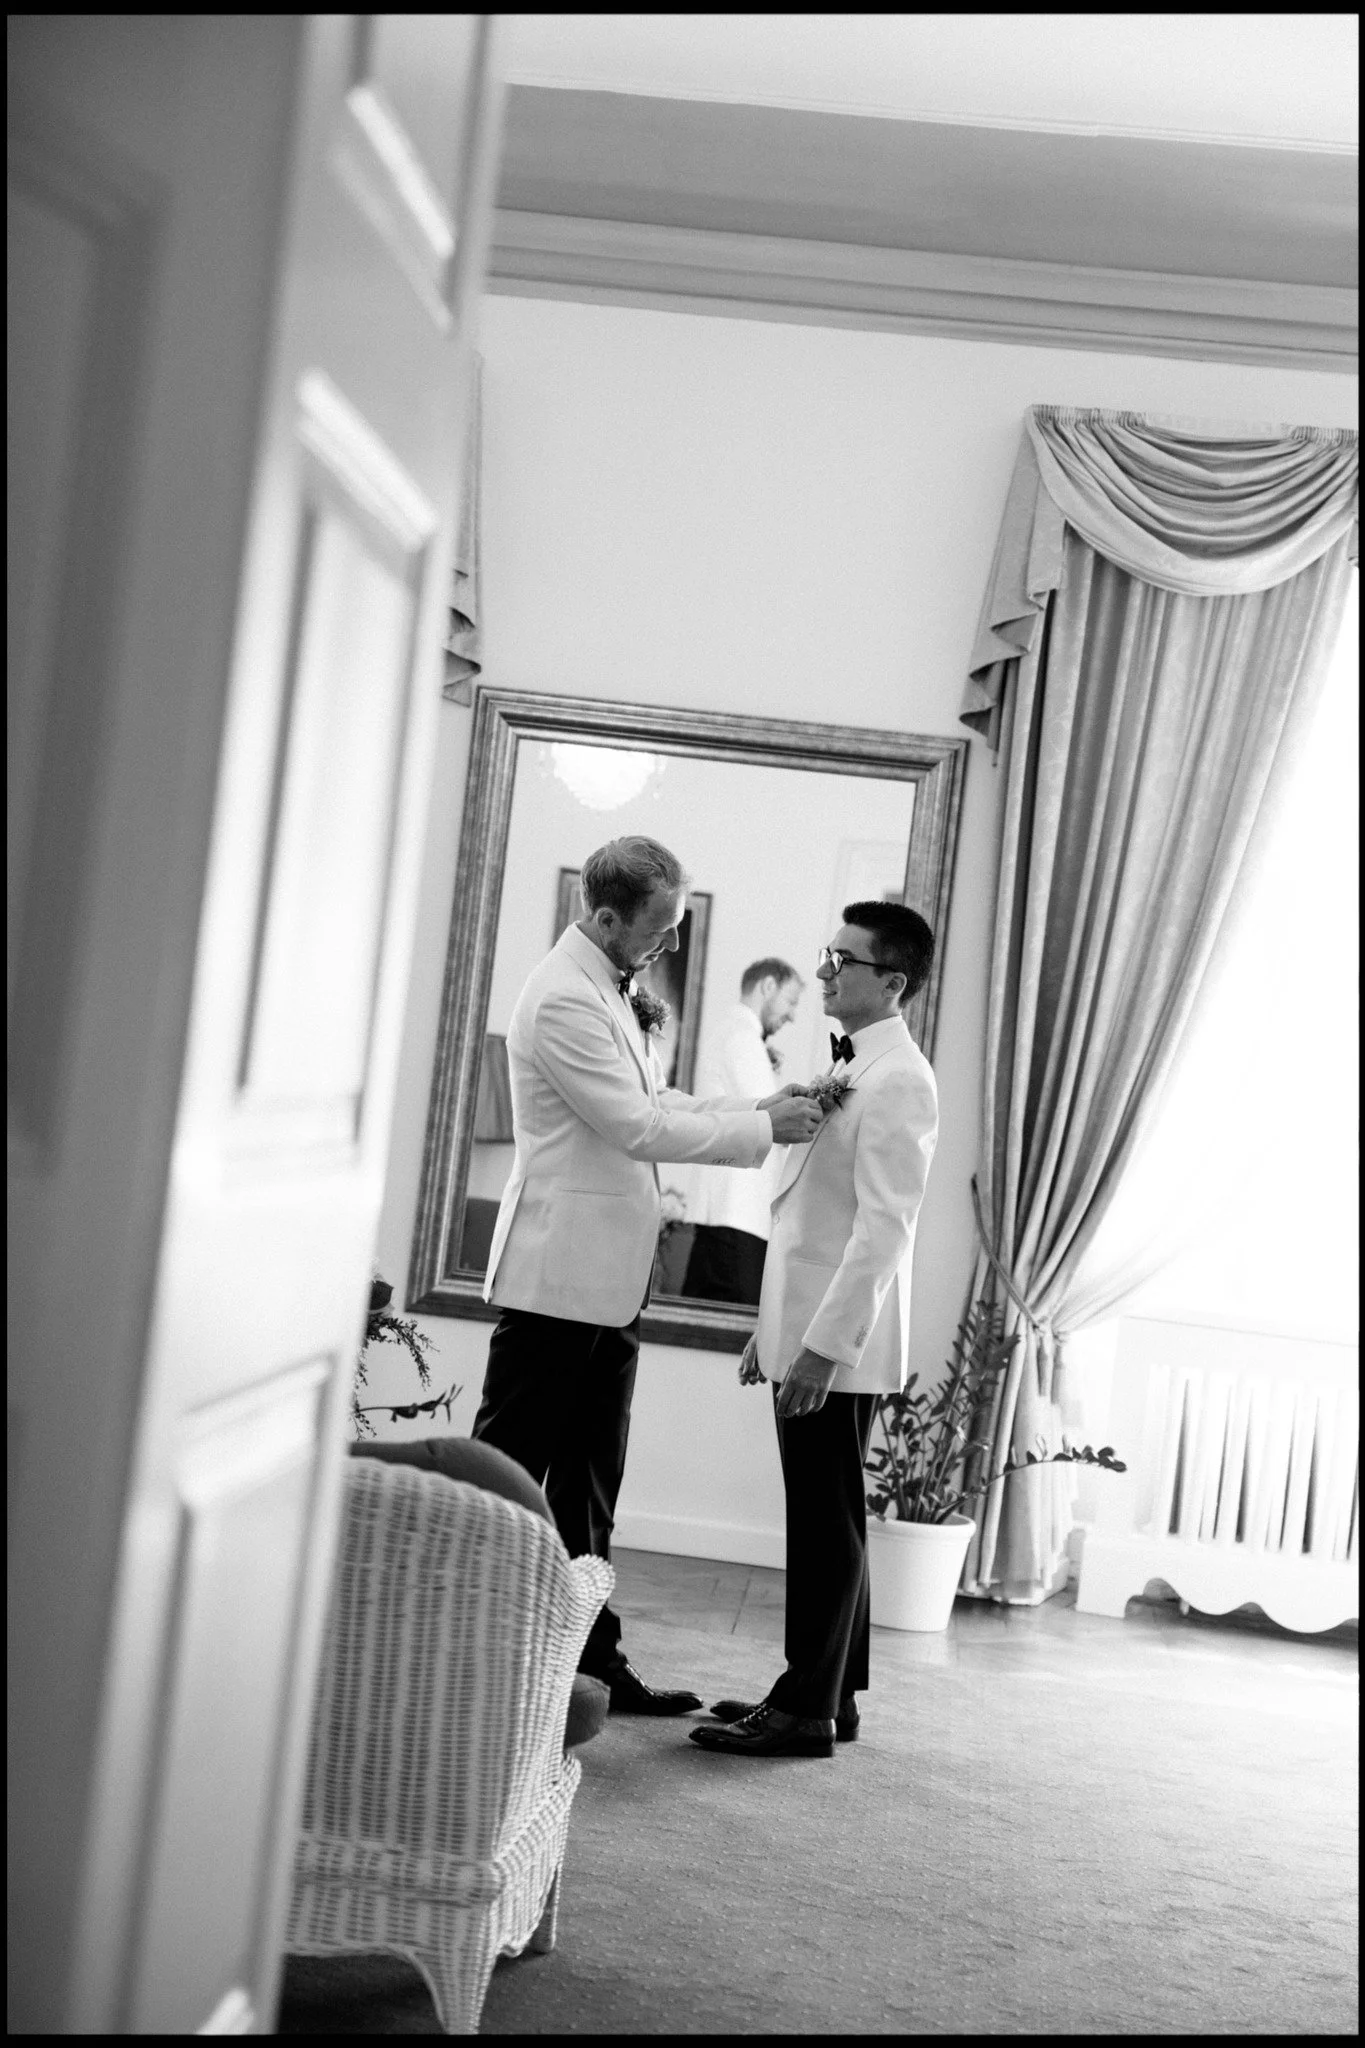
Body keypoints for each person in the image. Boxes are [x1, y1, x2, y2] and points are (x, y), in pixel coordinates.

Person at [471, 835, 825, 1715]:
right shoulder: (562, 996)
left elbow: (657, 1102)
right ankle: (466, 1655)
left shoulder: (607, 988)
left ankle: (593, 1667)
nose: (670, 943)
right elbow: (634, 1127)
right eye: (660, 927)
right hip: (556, 1283)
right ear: (604, 916)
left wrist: (758, 1106)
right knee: (504, 1487)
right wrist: (764, 1132)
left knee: (590, 1490)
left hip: (607, 1282)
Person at [691, 901, 938, 1758]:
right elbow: (807, 1215)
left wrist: (821, 1349)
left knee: (823, 1523)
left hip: (836, 1346)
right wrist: (772, 1332)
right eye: (826, 955)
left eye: (843, 960)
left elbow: (882, 1232)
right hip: (805, 1330)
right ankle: (835, 1697)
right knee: (831, 1516)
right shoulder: (852, 1063)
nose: (825, 971)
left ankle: (803, 1710)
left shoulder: (899, 1078)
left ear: (892, 981)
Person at [677, 957, 804, 1306]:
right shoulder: (741, 1037)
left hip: (733, 1215)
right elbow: (774, 1120)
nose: (792, 1015)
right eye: (790, 1001)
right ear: (768, 986)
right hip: (736, 1213)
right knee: (730, 1320)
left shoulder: (738, 1035)